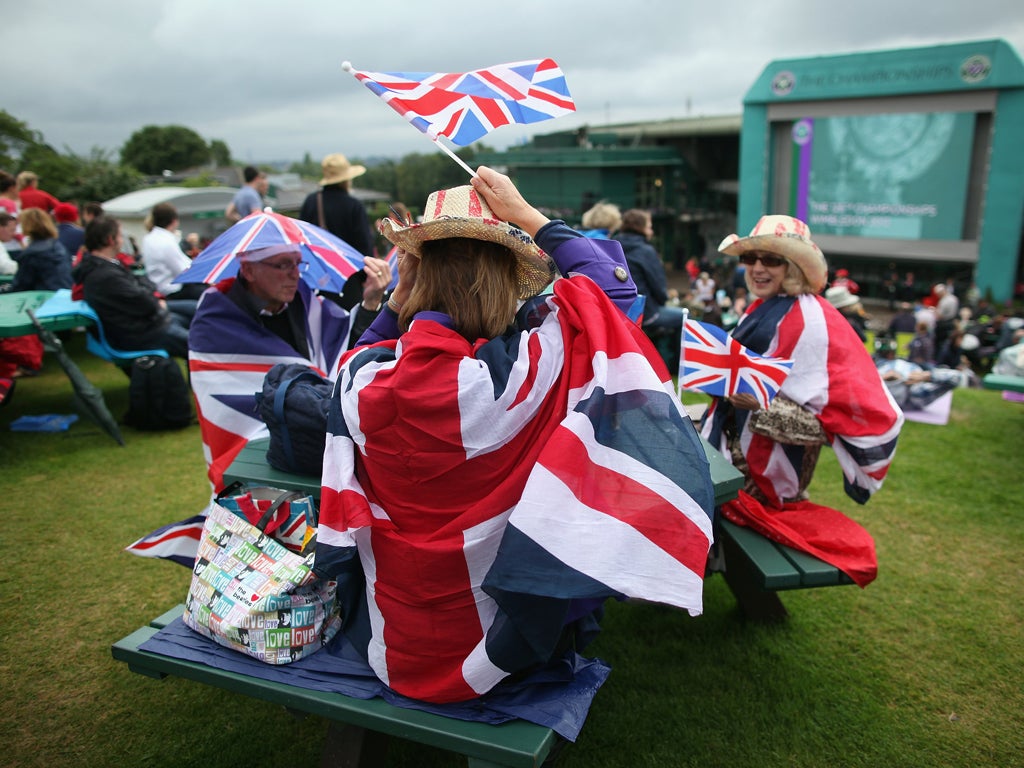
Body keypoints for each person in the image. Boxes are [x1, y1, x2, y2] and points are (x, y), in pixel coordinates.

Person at [315, 166, 715, 705]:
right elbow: (615, 298)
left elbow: (357, 352)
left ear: (414, 275)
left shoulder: (363, 382)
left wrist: (395, 300)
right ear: (506, 278)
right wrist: (530, 217)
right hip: (496, 641)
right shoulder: (520, 375)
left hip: (398, 641)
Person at [702, 214, 903, 511]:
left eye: (771, 260)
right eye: (750, 257)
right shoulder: (761, 307)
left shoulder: (814, 324)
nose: (757, 268)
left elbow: (825, 425)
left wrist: (760, 404)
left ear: (793, 266)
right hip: (729, 462)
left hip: (767, 487)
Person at [187, 235, 392, 492]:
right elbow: (221, 393)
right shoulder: (216, 320)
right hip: (254, 449)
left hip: (314, 438)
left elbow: (347, 356)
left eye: (297, 263)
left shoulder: (307, 305)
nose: (295, 274)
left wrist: (371, 301)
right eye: (283, 265)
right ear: (248, 270)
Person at [74, 216, 190, 358]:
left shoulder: (103, 266)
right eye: (120, 236)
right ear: (110, 240)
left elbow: (144, 284)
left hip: (142, 325)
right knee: (203, 343)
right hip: (139, 334)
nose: (122, 241)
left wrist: (149, 294)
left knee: (196, 313)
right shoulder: (105, 275)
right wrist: (152, 297)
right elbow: (146, 302)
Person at [613, 208, 684, 370]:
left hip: (616, 312)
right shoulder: (646, 251)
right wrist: (662, 301)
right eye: (650, 226)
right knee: (685, 317)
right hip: (644, 313)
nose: (651, 231)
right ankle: (674, 366)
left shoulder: (611, 245)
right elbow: (659, 289)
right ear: (641, 227)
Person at [140, 202, 207, 307]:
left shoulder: (148, 238)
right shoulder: (166, 241)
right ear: (174, 221)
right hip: (173, 291)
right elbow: (182, 271)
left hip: (158, 287)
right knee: (212, 295)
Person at [10, 207, 71, 292]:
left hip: (43, 298)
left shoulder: (31, 253)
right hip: (65, 295)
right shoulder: (58, 247)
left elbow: (21, 285)